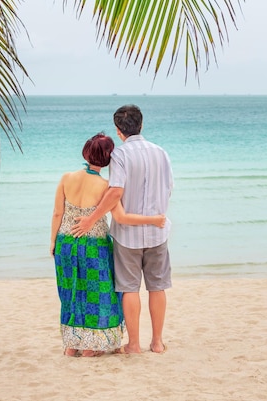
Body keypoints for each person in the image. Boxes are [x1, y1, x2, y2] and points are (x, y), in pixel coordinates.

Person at [50, 132, 165, 358]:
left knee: (71, 292)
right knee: (98, 294)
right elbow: (121, 218)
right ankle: (91, 347)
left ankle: (72, 345)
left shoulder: (66, 178)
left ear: (85, 151)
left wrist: (53, 241)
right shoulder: (105, 186)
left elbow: (57, 213)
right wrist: (154, 220)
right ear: (109, 158)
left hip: (66, 242)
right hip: (95, 247)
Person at [71, 104, 173, 355]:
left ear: (119, 131)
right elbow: (169, 187)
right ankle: (157, 342)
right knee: (156, 286)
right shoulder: (161, 152)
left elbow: (115, 191)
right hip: (158, 231)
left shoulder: (120, 155)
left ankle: (135, 344)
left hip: (128, 237)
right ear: (142, 125)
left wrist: (91, 220)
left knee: (129, 288)